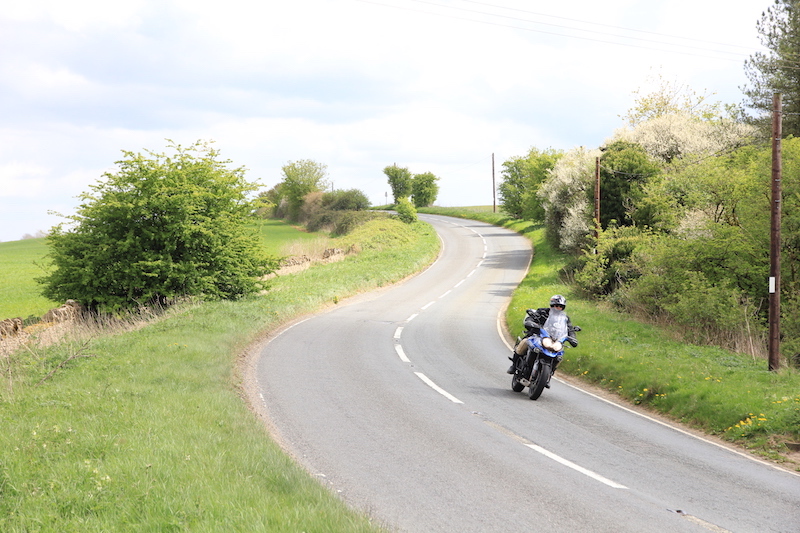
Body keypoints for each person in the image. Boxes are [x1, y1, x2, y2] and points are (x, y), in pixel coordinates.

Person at [507, 294, 578, 374]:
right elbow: (531, 318)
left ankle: (549, 373)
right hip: (537, 335)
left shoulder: (565, 318)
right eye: (556, 305)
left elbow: (569, 329)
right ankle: (513, 365)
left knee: (559, 355)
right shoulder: (542, 311)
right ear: (552, 305)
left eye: (560, 306)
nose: (558, 308)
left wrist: (572, 338)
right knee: (524, 342)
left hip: (554, 340)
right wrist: (531, 322)